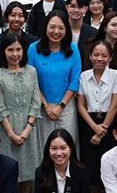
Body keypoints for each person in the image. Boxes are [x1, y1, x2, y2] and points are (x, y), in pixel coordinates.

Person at [0, 33, 42, 193]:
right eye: (10, 50)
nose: (15, 54)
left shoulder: (31, 72)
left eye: (18, 49)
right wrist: (12, 134)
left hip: (28, 126)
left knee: (28, 170)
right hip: (7, 128)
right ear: (3, 52)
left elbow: (36, 102)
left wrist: (28, 129)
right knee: (9, 170)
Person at [77, 40, 117, 193]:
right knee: (90, 166)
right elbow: (81, 106)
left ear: (110, 58)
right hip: (89, 123)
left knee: (111, 165)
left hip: (110, 124)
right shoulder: (84, 76)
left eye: (104, 55)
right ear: (90, 56)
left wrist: (102, 130)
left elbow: (115, 106)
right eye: (96, 55)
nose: (100, 59)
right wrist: (94, 128)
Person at [27, 11, 82, 147]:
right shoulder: (33, 49)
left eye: (61, 28)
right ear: (45, 27)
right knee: (44, 146)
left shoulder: (73, 49)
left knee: (67, 145)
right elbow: (31, 81)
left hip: (66, 106)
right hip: (41, 107)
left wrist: (61, 106)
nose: (56, 32)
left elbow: (75, 80)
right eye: (52, 27)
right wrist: (46, 105)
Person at [0, 2, 37, 74]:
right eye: (13, 15)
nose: (17, 19)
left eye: (20, 16)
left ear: (25, 19)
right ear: (7, 17)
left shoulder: (33, 41)